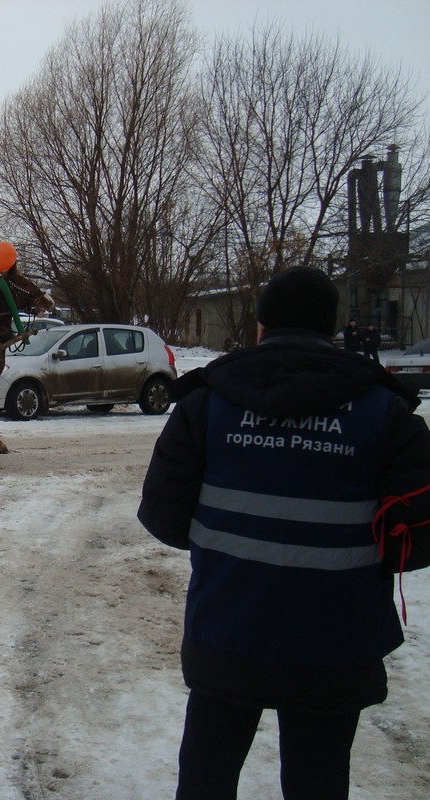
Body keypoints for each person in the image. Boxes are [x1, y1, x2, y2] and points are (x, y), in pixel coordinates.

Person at [138, 267, 430, 799]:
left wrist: (230, 549)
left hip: (227, 631)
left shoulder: (206, 402)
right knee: (317, 785)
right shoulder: (386, 412)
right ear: (333, 329)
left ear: (260, 328)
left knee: (206, 780)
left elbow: (161, 513)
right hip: (335, 649)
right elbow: (421, 538)